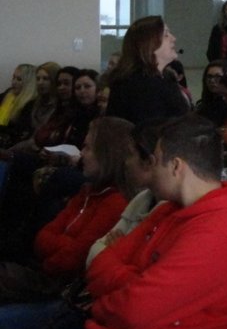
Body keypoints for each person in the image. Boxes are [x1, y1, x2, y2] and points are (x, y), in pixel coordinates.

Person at [0, 115, 227, 329]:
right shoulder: (169, 211)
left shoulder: (221, 232)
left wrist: (112, 293)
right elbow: (99, 262)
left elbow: (134, 310)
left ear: (176, 167)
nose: (150, 168)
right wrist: (131, 280)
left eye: (156, 160)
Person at [0, 117, 132, 303]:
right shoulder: (87, 191)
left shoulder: (115, 203)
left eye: (87, 148)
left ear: (107, 154)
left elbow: (73, 260)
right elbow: (42, 237)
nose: (82, 154)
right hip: (44, 273)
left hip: (60, 289)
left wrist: (53, 251)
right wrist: (62, 244)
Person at [106, 16, 188, 125]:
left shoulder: (166, 77)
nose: (173, 38)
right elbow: (149, 133)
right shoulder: (137, 84)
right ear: (149, 43)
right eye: (166, 35)